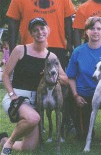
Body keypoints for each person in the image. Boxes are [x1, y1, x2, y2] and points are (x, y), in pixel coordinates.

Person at [1, 17, 68, 154]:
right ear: (31, 34)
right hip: (16, 97)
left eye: (42, 28)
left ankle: (2, 140)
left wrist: (51, 77)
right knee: (34, 118)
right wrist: (12, 95)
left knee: (29, 147)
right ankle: (10, 142)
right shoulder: (20, 50)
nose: (39, 32)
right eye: (35, 30)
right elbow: (5, 75)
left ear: (48, 30)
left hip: (36, 102)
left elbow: (65, 79)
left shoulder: (51, 57)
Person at [6, 0, 75, 69]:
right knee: (29, 83)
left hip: (57, 46)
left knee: (57, 83)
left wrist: (70, 45)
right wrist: (12, 49)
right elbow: (13, 24)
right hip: (29, 47)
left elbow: (68, 21)